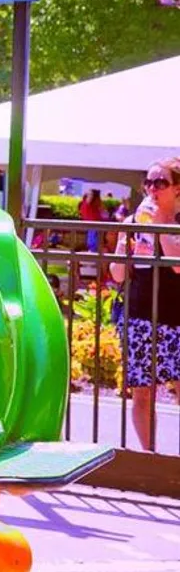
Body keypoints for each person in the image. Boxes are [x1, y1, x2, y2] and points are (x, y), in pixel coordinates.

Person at [109, 157, 180, 450]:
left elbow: (177, 265)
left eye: (161, 182)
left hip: (175, 316)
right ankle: (149, 458)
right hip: (139, 314)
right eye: (148, 182)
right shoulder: (134, 222)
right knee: (142, 393)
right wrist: (127, 244)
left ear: (177, 189)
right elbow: (117, 274)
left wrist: (161, 223)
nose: (152, 189)